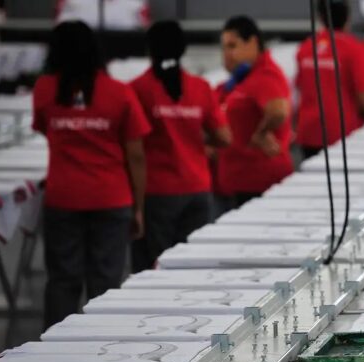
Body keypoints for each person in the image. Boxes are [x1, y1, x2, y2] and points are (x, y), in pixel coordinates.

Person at [32, 21, 150, 329]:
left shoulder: (44, 89)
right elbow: (136, 155)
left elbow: (45, 129)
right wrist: (139, 207)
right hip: (110, 197)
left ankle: (54, 347)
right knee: (106, 282)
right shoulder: (119, 92)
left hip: (63, 197)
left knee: (62, 280)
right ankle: (102, 343)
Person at [129, 21, 231, 272]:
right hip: (197, 189)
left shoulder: (137, 89)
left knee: (153, 270)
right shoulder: (200, 88)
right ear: (183, 50)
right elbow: (224, 138)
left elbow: (132, 146)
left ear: (149, 50)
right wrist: (195, 141)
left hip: (156, 193)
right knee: (191, 268)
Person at [296, 0, 364, 159]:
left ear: (321, 17)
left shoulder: (306, 47)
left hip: (309, 130)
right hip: (340, 131)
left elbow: (300, 89)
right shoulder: (354, 49)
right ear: (348, 18)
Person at [214, 16, 294, 213]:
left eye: (232, 46)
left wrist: (261, 133)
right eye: (224, 48)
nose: (227, 54)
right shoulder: (240, 79)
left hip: (257, 184)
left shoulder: (265, 75)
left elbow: (278, 111)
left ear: (253, 42)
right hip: (238, 181)